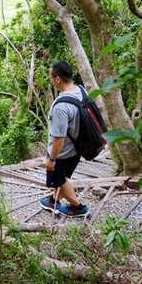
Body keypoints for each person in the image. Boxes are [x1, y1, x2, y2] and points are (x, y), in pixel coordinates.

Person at [40, 61, 90, 217]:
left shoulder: (61, 106)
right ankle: (53, 200)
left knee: (60, 180)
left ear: (58, 79)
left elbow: (59, 139)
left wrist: (52, 159)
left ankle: (79, 208)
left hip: (62, 152)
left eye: (51, 77)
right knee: (63, 177)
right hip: (77, 147)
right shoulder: (81, 90)